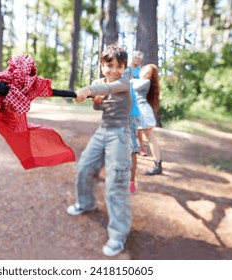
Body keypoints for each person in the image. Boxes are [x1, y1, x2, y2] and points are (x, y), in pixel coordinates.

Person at [66, 44, 132, 257]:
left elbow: (109, 90)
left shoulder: (124, 81)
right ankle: (85, 203)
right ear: (102, 65)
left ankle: (118, 235)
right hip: (103, 130)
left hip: (120, 134)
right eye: (109, 65)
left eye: (119, 66)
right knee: (84, 167)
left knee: (115, 183)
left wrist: (90, 91)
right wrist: (95, 101)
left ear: (124, 68)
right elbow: (100, 105)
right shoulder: (98, 83)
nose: (114, 70)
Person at [131, 64, 163, 175]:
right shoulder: (137, 80)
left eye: (148, 73)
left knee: (149, 136)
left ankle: (157, 165)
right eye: (145, 70)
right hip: (136, 110)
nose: (145, 74)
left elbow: (132, 86)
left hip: (143, 111)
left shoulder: (145, 82)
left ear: (150, 77)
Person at [124, 51, 148, 156]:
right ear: (132, 58)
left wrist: (134, 80)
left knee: (137, 127)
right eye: (135, 58)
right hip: (125, 98)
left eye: (139, 59)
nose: (137, 60)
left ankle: (141, 148)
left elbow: (142, 84)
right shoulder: (126, 69)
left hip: (136, 100)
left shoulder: (141, 71)